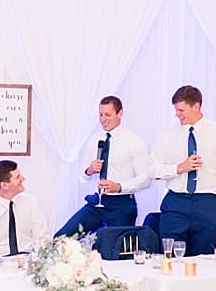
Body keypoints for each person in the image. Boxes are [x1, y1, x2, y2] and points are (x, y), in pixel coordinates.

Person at [148, 85, 216, 256]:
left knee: (203, 262)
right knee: (170, 259)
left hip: (209, 205)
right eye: (176, 110)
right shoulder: (167, 135)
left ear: (196, 106)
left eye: (181, 110)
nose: (177, 114)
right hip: (175, 204)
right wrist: (179, 168)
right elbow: (152, 170)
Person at [55, 96, 150, 237]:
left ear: (120, 113)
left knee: (115, 248)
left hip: (122, 205)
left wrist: (119, 187)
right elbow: (83, 176)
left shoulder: (134, 141)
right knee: (61, 239)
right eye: (100, 115)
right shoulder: (94, 139)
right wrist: (89, 170)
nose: (103, 119)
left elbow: (145, 179)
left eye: (107, 115)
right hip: (97, 202)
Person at [0, 160, 48, 256]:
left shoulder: (31, 202)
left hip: (28, 260)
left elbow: (42, 238)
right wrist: (8, 262)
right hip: (0, 262)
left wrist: (36, 260)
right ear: (4, 185)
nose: (23, 179)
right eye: (18, 177)